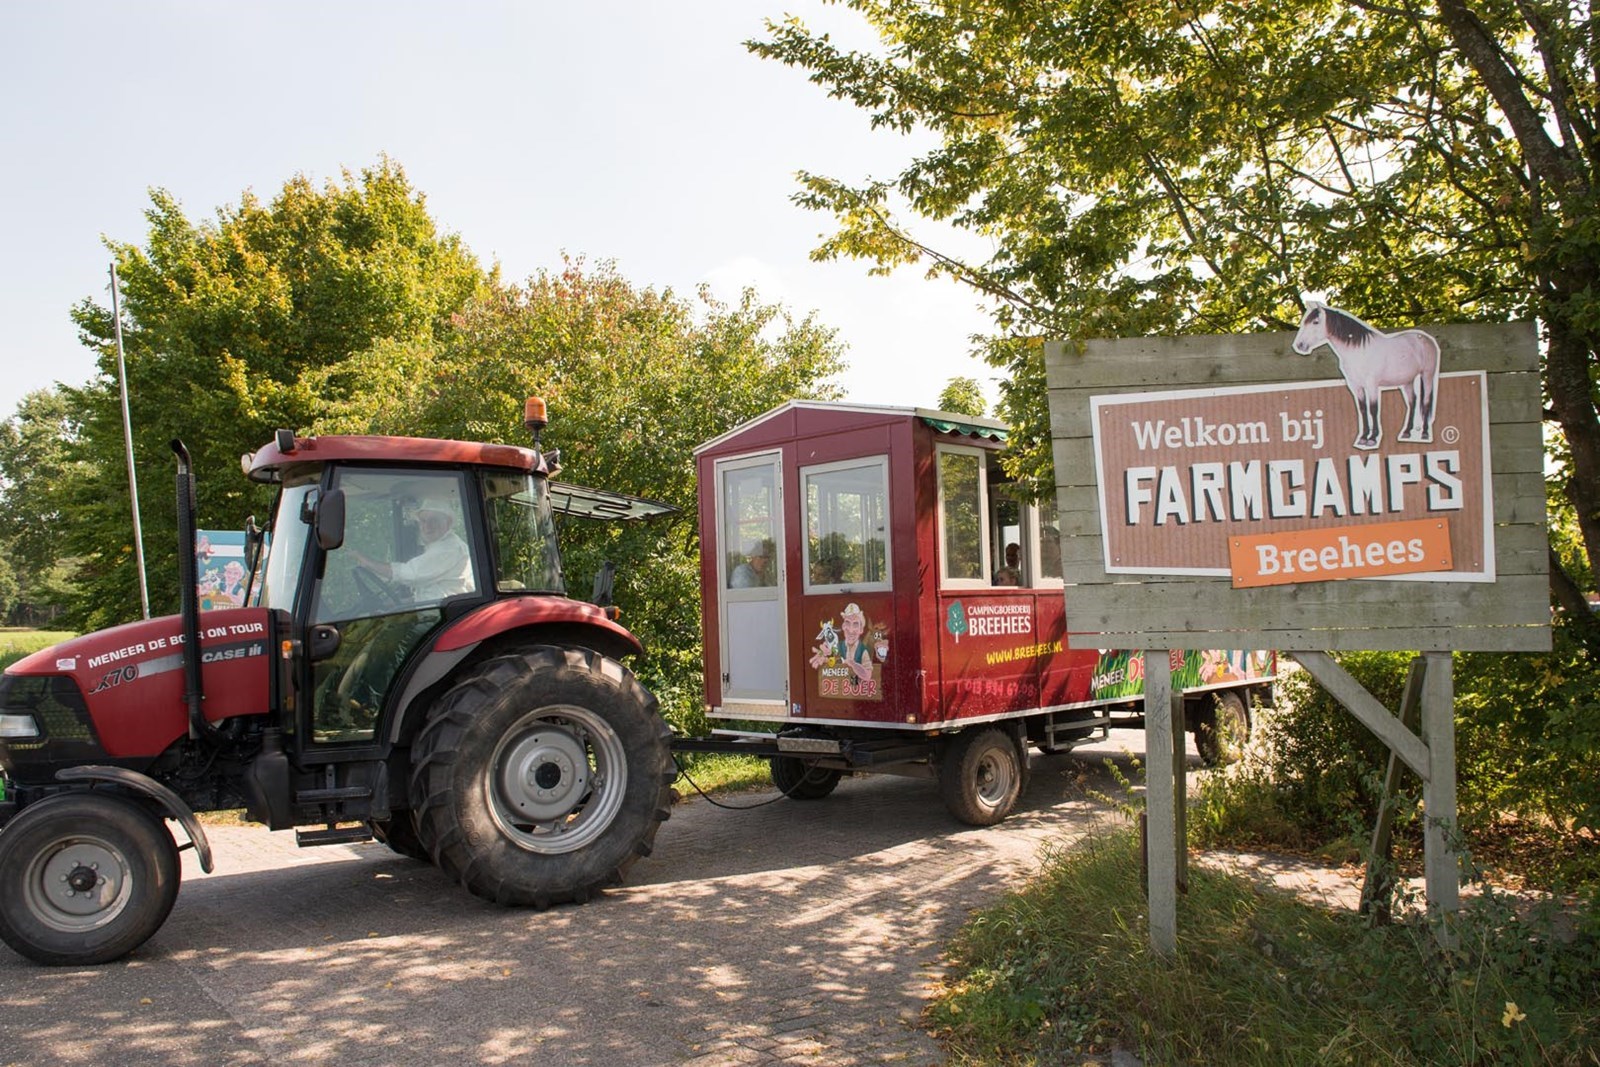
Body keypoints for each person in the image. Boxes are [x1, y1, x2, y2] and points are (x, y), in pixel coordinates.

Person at [351, 498, 474, 604]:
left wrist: (368, 562)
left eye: (434, 520)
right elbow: (432, 589)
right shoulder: (438, 546)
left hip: (445, 614)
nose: (427, 526)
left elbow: (409, 574)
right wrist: (399, 604)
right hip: (437, 609)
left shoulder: (448, 549)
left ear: (447, 522)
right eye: (423, 521)